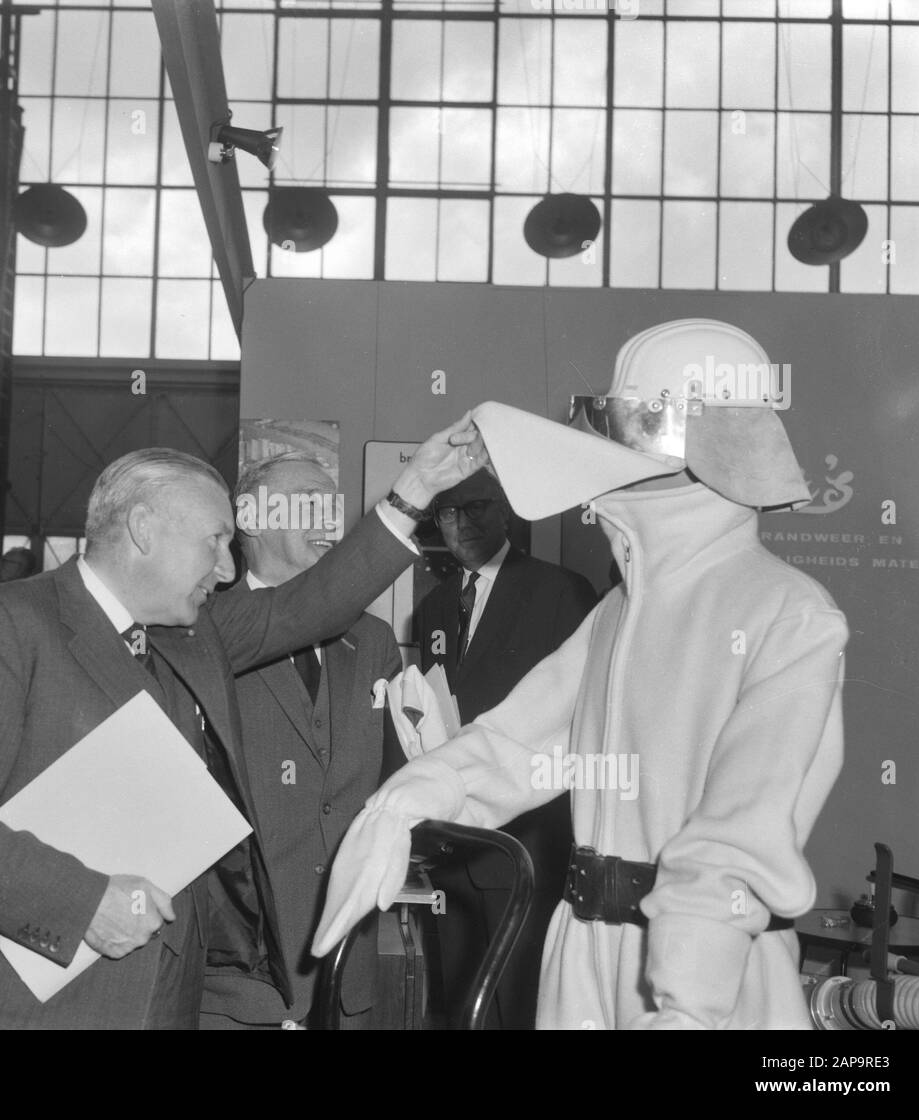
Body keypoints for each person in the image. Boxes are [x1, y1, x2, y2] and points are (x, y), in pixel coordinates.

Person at [314, 319, 848, 1030]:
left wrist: (690, 1000)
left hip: (709, 986)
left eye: (621, 423)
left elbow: (742, 829)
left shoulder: (788, 612)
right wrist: (404, 805)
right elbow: (521, 746)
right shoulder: (616, 612)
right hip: (580, 953)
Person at [0, 417, 483, 1029]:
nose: (226, 570)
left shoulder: (197, 636)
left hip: (167, 993)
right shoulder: (6, 623)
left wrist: (416, 488)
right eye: (213, 541)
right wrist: (82, 902)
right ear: (143, 530)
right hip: (37, 995)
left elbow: (318, 602)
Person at [199, 452, 403, 1029]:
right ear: (251, 520)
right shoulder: (202, 629)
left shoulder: (373, 639)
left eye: (333, 506)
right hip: (241, 980)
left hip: (348, 974)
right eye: (310, 503)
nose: (330, 521)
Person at [412, 468, 596, 1028]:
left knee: (523, 1005)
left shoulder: (560, 591)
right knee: (465, 1005)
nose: (460, 524)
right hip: (456, 844)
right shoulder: (436, 607)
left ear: (507, 511)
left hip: (529, 843)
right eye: (446, 512)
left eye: (476, 508)